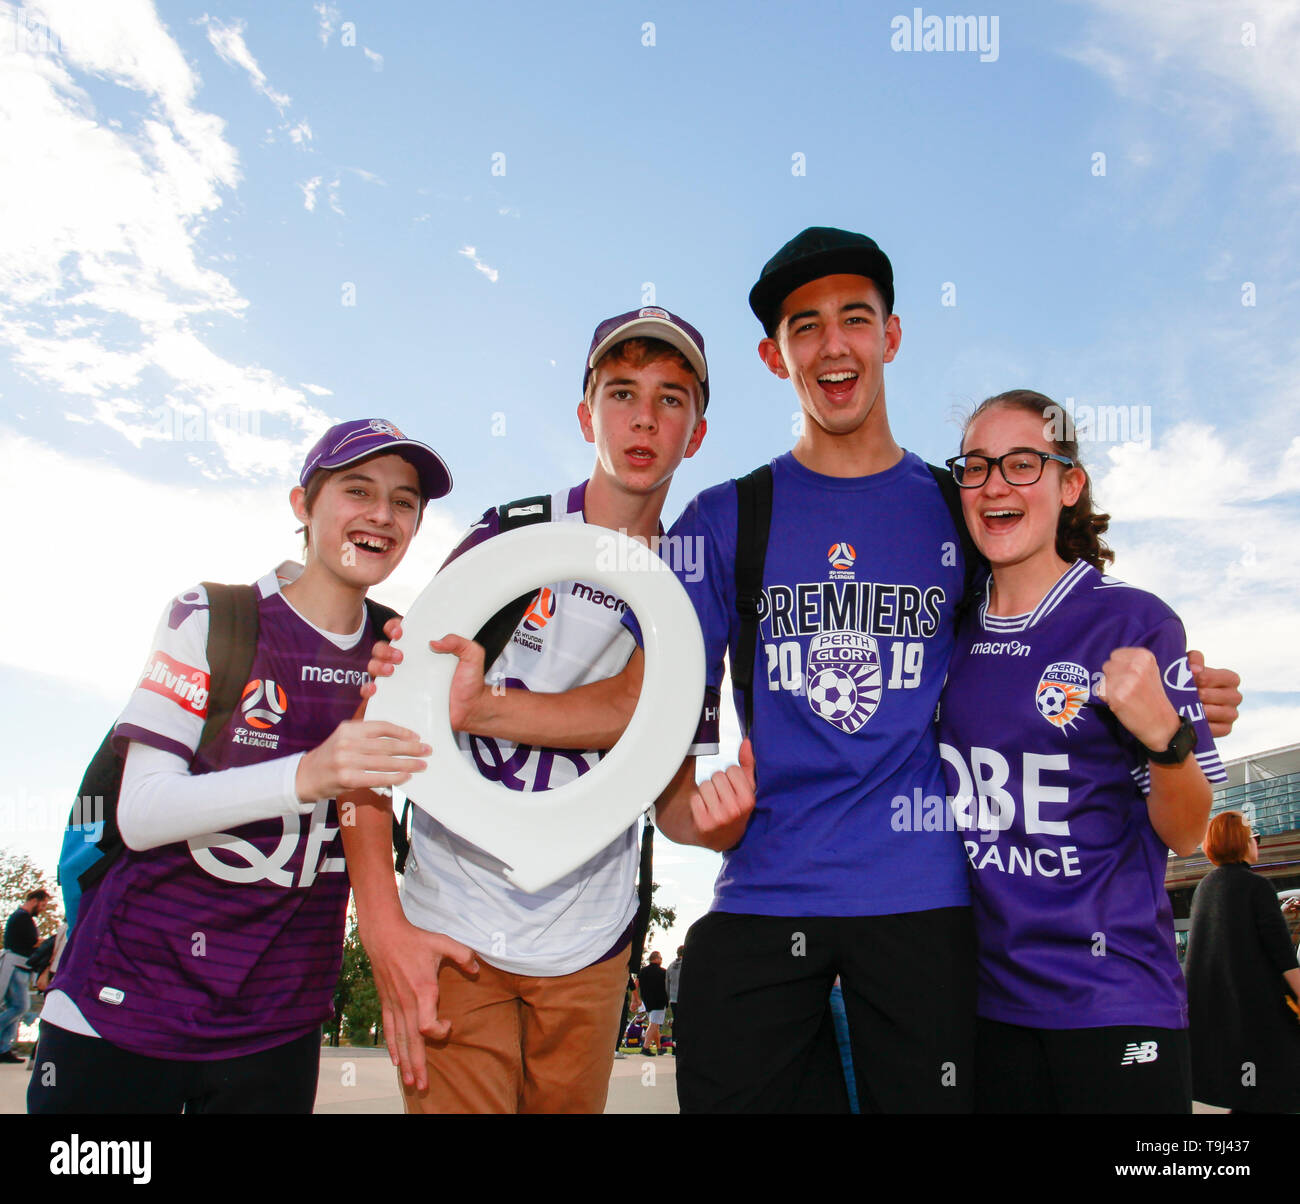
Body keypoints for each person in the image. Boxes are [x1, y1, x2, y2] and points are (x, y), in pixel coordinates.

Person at [343, 308, 739, 1113]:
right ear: (587, 412)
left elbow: (670, 801)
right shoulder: (505, 540)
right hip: (453, 927)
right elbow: (375, 733)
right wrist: (382, 927)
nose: (643, 418)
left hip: (589, 946)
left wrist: (730, 818)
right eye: (621, 392)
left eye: (672, 400)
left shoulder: (691, 586)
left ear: (696, 434)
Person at [27, 419, 449, 1114]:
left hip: (275, 1032)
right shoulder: (211, 615)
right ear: (302, 505)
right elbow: (141, 811)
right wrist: (308, 773)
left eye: (405, 501)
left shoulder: (398, 650)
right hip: (122, 1011)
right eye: (357, 490)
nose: (381, 514)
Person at [936, 389, 1224, 1113]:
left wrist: (1165, 737)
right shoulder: (948, 636)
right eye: (975, 467)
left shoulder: (1134, 622)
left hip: (1116, 1002)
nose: (995, 483)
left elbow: (1188, 832)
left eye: (1022, 463)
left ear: (1070, 485)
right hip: (989, 1010)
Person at [1185, 811, 1300, 1112]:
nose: (1257, 843)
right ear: (1241, 842)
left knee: (1246, 1098)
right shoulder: (1256, 886)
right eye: (1253, 837)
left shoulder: (1204, 888)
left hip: (1219, 1020)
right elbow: (1283, 957)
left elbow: (1230, 938)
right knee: (1276, 1095)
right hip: (1259, 1018)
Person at [0, 889, 49, 1064]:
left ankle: (3, 1048)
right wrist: (50, 941)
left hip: (19, 966)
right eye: (42, 905)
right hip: (16, 966)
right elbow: (32, 942)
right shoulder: (23, 918)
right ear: (35, 900)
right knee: (20, 1006)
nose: (42, 909)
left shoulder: (20, 917)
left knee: (15, 1008)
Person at [637, 951, 669, 1055]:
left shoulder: (642, 971)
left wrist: (635, 999)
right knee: (654, 1025)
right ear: (656, 959)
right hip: (659, 1002)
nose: (661, 960)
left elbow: (636, 984)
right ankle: (645, 1047)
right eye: (660, 958)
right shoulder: (663, 972)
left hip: (647, 1001)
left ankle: (659, 1048)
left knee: (654, 1025)